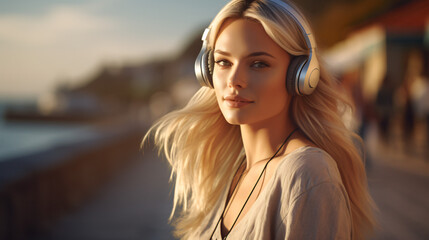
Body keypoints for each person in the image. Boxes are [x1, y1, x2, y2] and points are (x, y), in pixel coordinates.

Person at [144, 0, 376, 239]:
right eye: (224, 61)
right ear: (207, 70)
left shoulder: (307, 173)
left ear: (301, 75)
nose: (234, 79)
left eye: (258, 64)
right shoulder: (233, 169)